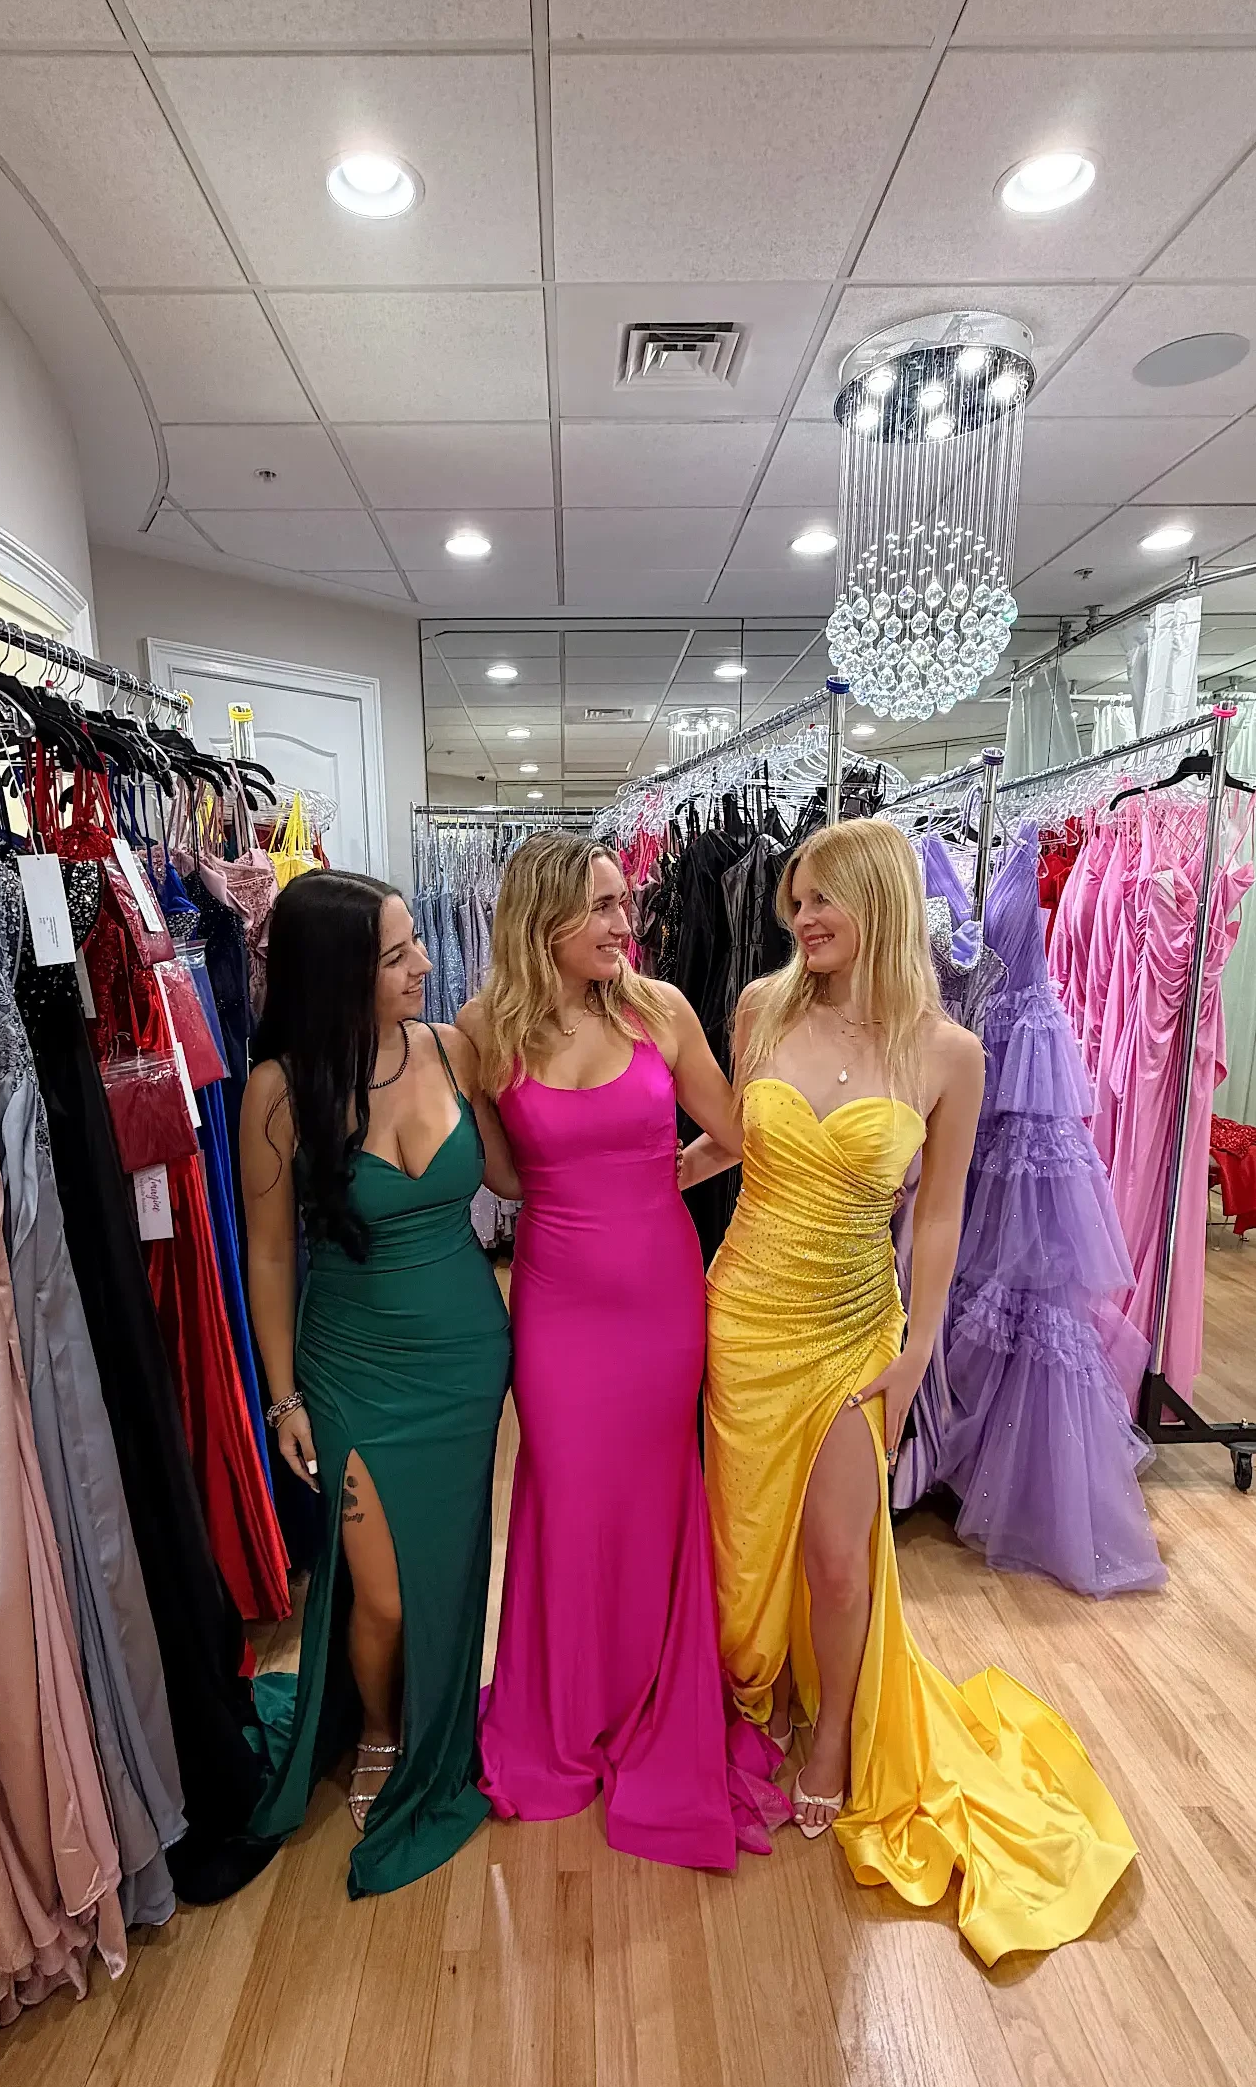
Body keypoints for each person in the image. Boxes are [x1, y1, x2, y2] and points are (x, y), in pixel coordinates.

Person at [680, 818, 1138, 1965]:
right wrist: (659, 1167)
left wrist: (923, 1336)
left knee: (840, 1553)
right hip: (742, 1311)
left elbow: (937, 1210)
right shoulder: (760, 1009)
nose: (804, 917)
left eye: (824, 896)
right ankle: (765, 1687)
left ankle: (834, 1729)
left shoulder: (950, 1052)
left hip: (852, 1328)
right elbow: (743, 1137)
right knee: (746, 1548)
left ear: (881, 898)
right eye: (795, 900)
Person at [460, 834, 778, 1869]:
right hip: (556, 1303)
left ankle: (650, 1694)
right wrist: (595, 1192)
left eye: (623, 903)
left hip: (657, 1292)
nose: (621, 923)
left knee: (654, 1494)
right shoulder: (482, 1031)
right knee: (564, 1493)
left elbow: (731, 1133)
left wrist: (650, 1179)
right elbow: (505, 1178)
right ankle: (564, 1706)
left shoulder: (661, 1010)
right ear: (540, 917)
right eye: (599, 906)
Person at [241, 871, 514, 1897]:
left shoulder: (454, 1047)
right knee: (385, 1591)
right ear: (339, 975)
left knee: (445, 1566)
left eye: (414, 948)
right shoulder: (279, 1088)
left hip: (464, 1355)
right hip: (351, 1365)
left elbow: (516, 1176)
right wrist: (283, 1398)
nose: (425, 964)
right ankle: (385, 1728)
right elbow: (270, 1258)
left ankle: (428, 1722)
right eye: (399, 954)